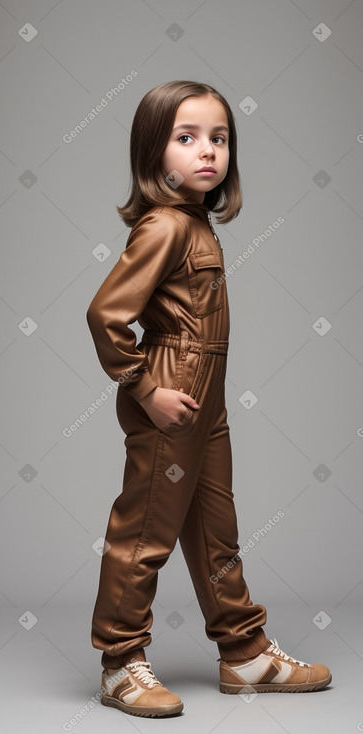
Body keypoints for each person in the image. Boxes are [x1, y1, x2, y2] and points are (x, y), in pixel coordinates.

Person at [86, 80, 332, 718]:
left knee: (214, 529)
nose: (207, 152)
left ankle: (244, 653)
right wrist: (146, 389)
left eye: (219, 138)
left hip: (207, 400)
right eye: (186, 137)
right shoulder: (165, 226)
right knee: (145, 530)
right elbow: (106, 314)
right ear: (152, 153)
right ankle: (119, 663)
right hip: (173, 392)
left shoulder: (194, 222)